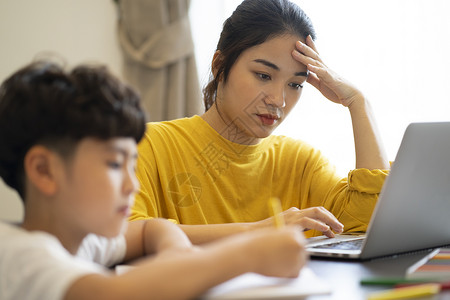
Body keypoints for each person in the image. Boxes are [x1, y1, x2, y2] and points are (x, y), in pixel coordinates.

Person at [0, 60, 307, 300]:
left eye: (132, 166)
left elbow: (150, 227)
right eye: (113, 164)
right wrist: (249, 253)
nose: (131, 185)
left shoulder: (82, 241)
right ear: (44, 171)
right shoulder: (20, 255)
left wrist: (178, 254)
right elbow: (110, 295)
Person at [130, 0, 390, 244]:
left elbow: (368, 220)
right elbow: (124, 235)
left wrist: (358, 103)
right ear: (220, 66)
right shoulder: (149, 145)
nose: (278, 100)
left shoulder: (300, 162)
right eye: (263, 75)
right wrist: (263, 230)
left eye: (295, 84)